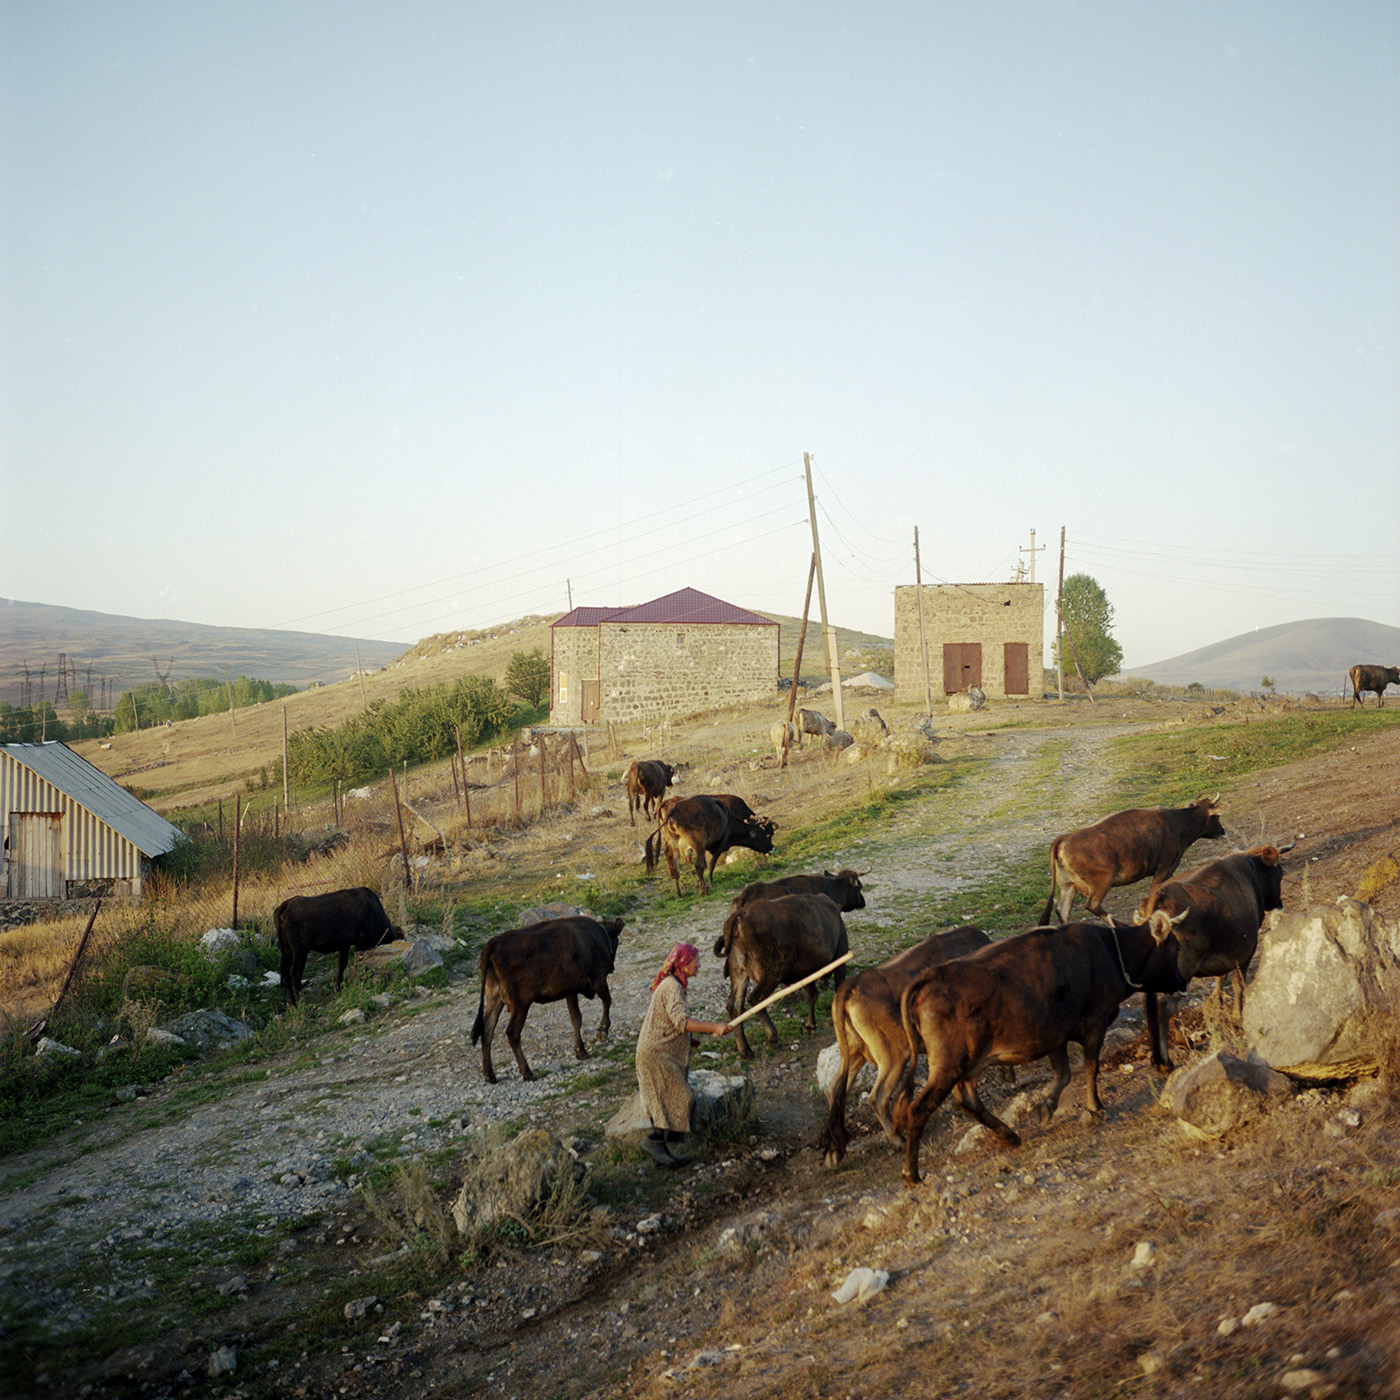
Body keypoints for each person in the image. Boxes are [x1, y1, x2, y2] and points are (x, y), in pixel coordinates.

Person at [635, 942, 729, 1166]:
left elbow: (670, 1021)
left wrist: (688, 1040)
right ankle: (654, 1143)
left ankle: (661, 1154)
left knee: (665, 1098)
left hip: (658, 1051)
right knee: (678, 1095)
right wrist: (715, 1027)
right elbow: (682, 1021)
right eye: (696, 960)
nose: (699, 964)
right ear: (684, 965)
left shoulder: (674, 984)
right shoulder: (672, 987)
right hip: (655, 1054)